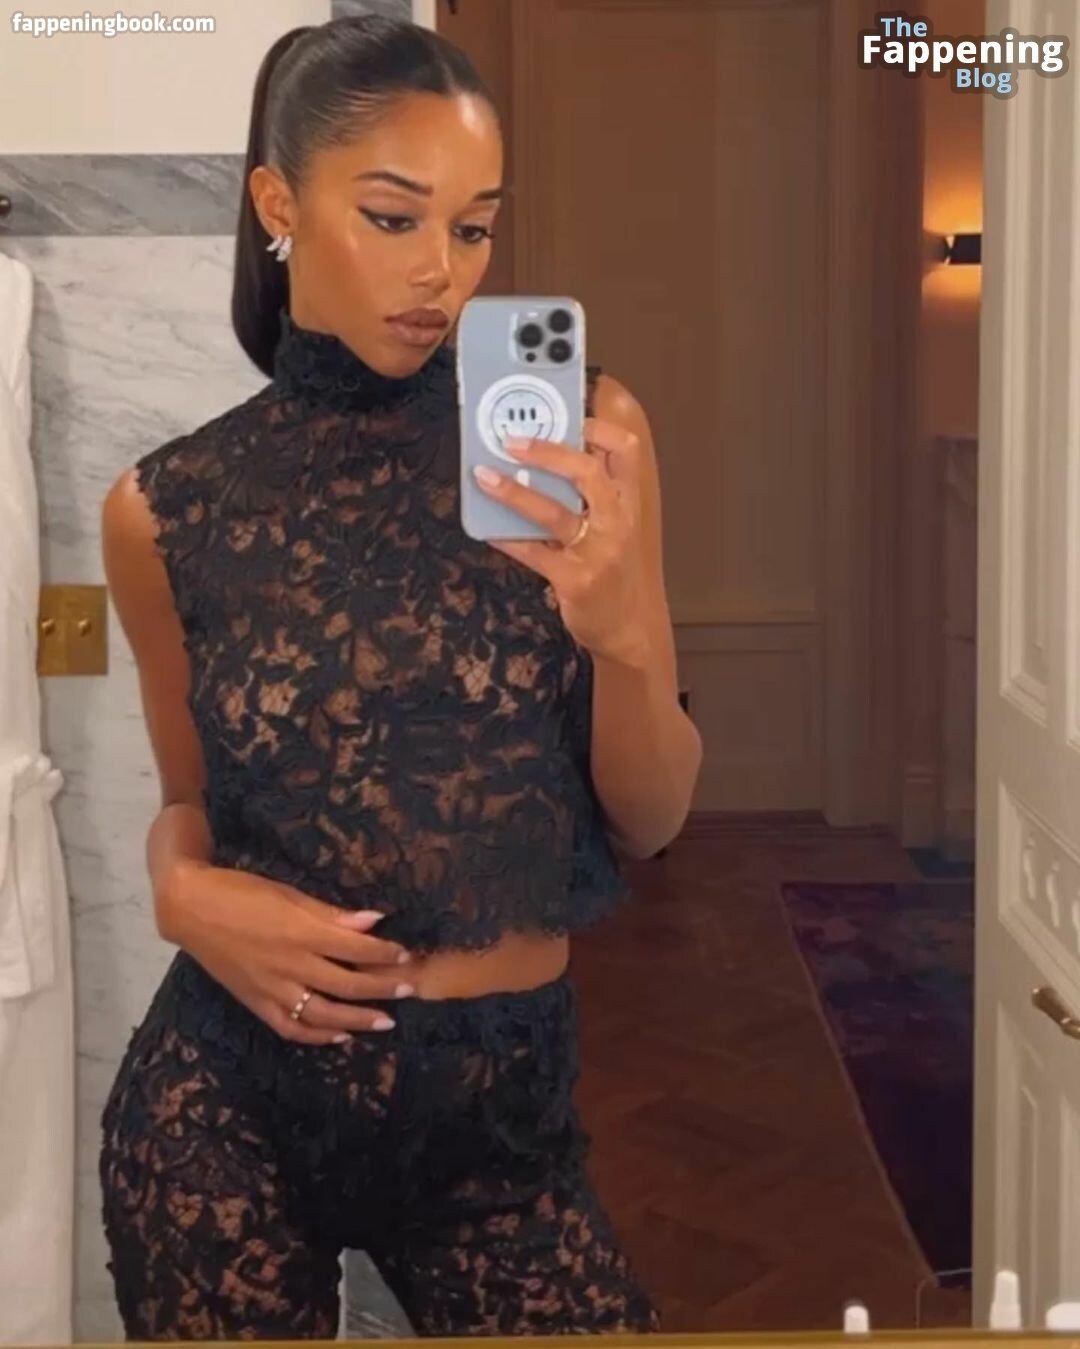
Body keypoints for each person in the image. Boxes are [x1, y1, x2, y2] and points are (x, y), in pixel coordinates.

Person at [98, 13, 699, 1340]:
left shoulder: (592, 437)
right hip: (227, 1109)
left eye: (474, 228)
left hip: (500, 1132)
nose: (442, 271)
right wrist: (179, 891)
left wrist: (623, 637)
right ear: (279, 205)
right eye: (393, 216)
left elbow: (652, 820)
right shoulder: (163, 511)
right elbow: (190, 804)